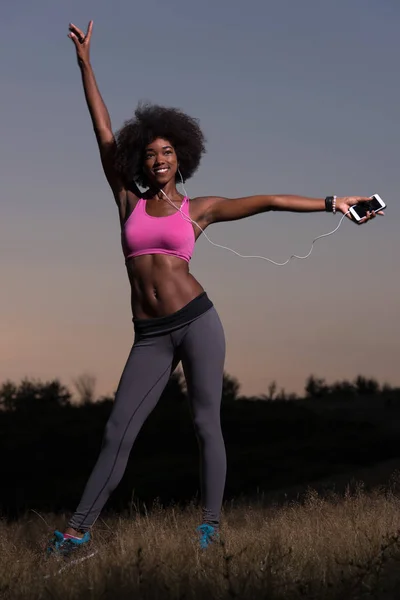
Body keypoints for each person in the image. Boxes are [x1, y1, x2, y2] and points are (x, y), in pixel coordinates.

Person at [47, 20, 379, 557]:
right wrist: (85, 64)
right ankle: (75, 533)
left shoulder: (197, 210)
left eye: (167, 153)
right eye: (151, 154)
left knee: (206, 423)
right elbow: (102, 131)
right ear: (142, 160)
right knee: (117, 431)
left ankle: (209, 530)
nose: (159, 161)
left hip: (198, 321)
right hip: (149, 335)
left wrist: (333, 202)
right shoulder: (127, 200)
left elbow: (267, 200)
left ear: (182, 158)